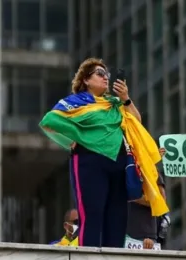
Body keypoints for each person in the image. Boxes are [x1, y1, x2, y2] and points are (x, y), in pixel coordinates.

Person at [39, 58, 169, 248]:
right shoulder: (75, 101)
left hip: (119, 164)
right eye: (99, 74)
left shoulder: (114, 103)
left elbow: (136, 122)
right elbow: (49, 121)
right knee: (92, 216)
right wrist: (71, 141)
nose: (105, 78)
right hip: (89, 161)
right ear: (85, 80)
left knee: (117, 219)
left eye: (107, 75)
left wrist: (126, 98)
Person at [126, 173, 168, 249]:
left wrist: (133, 196)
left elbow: (161, 200)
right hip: (118, 234)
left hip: (144, 236)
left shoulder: (149, 167)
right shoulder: (118, 167)